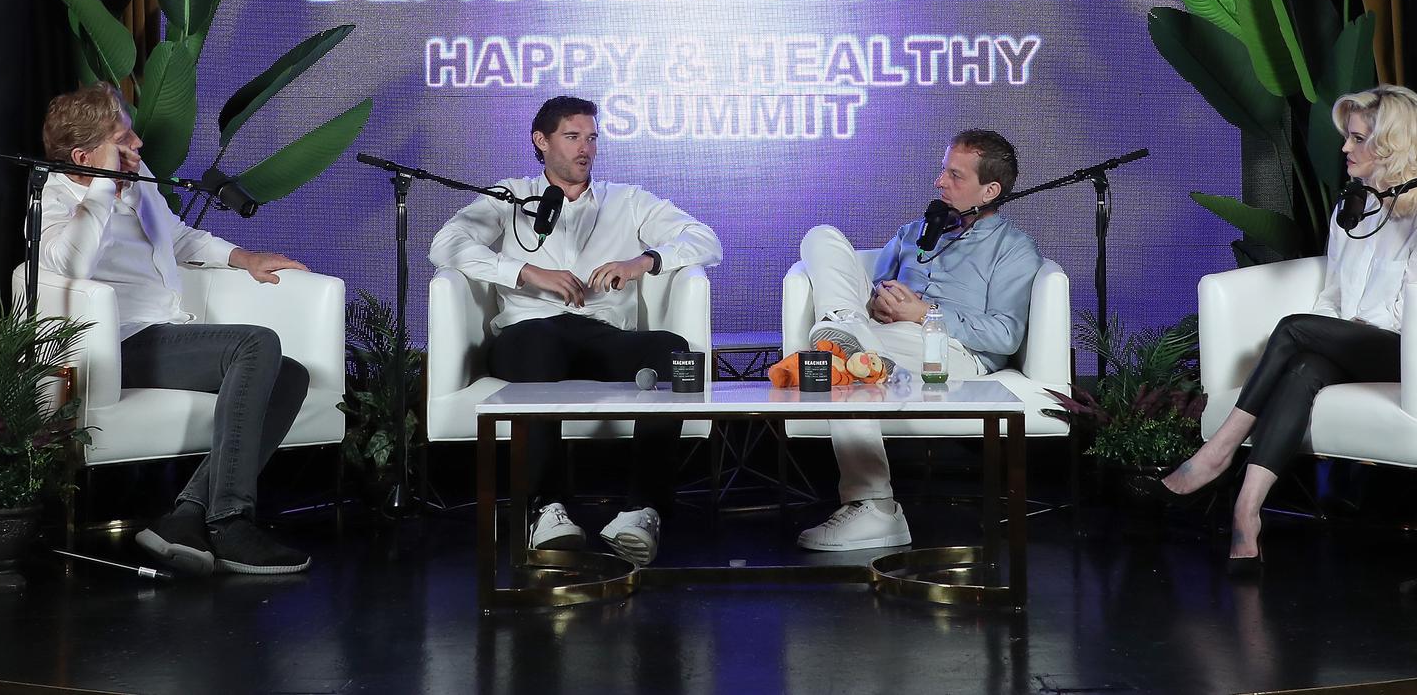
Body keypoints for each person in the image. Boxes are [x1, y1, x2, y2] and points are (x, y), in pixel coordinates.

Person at [1155, 84, 1417, 575]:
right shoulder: (1351, 211)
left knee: (1294, 329)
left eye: (1358, 139)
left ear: (1393, 146)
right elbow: (1333, 296)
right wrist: (1332, 332)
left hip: (1404, 351)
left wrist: (1338, 330)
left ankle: (1218, 452)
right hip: (1348, 345)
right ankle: (1247, 511)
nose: (1344, 148)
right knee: (1304, 366)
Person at [429, 95, 722, 567]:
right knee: (539, 349)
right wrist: (525, 272)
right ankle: (546, 509)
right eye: (572, 137)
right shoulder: (510, 196)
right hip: (528, 332)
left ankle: (641, 511)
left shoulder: (627, 200)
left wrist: (642, 261)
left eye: (591, 138)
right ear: (541, 141)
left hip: (602, 334)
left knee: (673, 350)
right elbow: (446, 244)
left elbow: (706, 239)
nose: (585, 148)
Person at [37, 83, 315, 576]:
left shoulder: (137, 174)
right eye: (122, 139)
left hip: (165, 331)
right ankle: (230, 521)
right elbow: (72, 265)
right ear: (83, 156)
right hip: (116, 344)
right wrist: (101, 188)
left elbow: (177, 235)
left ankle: (186, 517)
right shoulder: (55, 201)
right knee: (256, 343)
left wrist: (244, 257)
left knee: (290, 375)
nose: (138, 144)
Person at [793, 129, 1041, 552]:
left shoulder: (1014, 249)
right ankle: (847, 330)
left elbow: (1005, 334)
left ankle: (875, 508)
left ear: (990, 191)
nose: (939, 182)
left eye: (955, 175)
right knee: (821, 235)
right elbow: (873, 285)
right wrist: (877, 303)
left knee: (848, 365)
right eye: (943, 171)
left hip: (949, 349)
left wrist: (925, 314)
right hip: (883, 334)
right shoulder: (914, 232)